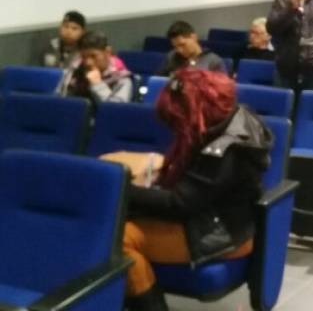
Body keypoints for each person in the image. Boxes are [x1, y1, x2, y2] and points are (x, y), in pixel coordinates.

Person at [118, 69, 272, 311]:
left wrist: (122, 190)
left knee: (118, 240)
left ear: (196, 111)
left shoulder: (226, 150)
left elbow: (180, 204)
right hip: (214, 218)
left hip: (219, 232)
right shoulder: (232, 118)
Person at [59, 31, 133, 103]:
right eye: (83, 57)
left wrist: (97, 84)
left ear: (107, 52)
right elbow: (60, 99)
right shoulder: (74, 70)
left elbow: (115, 110)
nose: (88, 62)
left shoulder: (122, 78)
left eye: (93, 56)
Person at [158, 21, 227, 76]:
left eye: (182, 45)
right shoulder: (171, 56)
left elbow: (222, 87)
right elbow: (158, 81)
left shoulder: (214, 62)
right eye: (175, 47)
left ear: (194, 37)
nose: (179, 50)